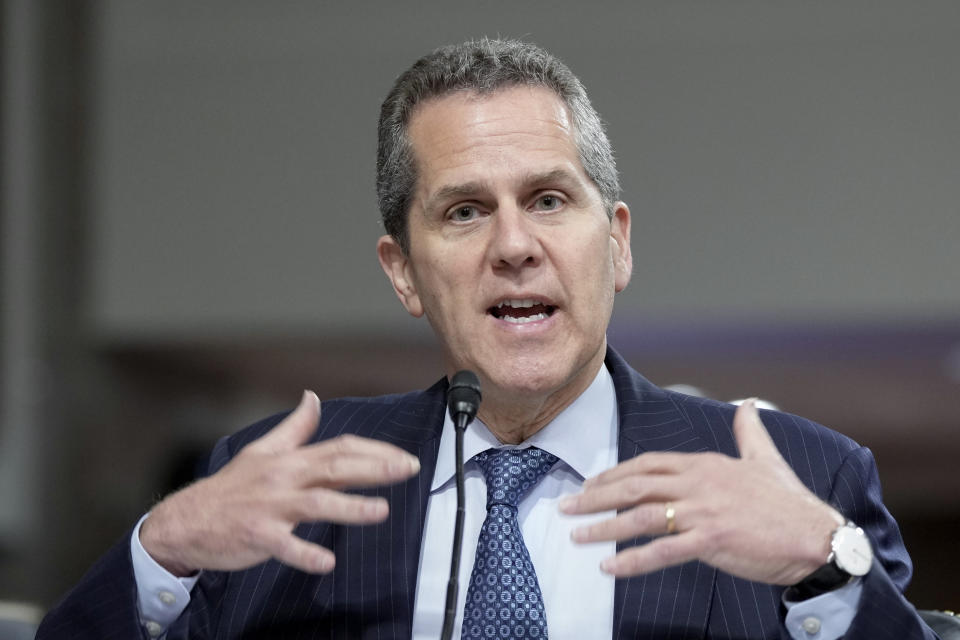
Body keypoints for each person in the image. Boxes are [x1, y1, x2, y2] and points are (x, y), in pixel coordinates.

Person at [38, 38, 935, 639]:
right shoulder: (286, 490)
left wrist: (828, 566)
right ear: (403, 272)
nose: (514, 246)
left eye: (548, 200)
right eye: (465, 212)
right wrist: (161, 548)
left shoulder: (804, 479)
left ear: (615, 240)